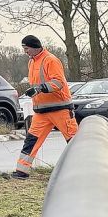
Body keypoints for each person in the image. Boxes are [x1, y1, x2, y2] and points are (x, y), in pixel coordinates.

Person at [11, 35, 77, 180]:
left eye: (26, 48)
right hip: (41, 111)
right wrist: (34, 90)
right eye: (24, 49)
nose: (25, 52)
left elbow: (58, 82)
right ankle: (21, 171)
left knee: (74, 141)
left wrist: (40, 88)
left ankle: (86, 168)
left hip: (61, 109)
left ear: (35, 47)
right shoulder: (31, 62)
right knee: (31, 141)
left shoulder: (50, 60)